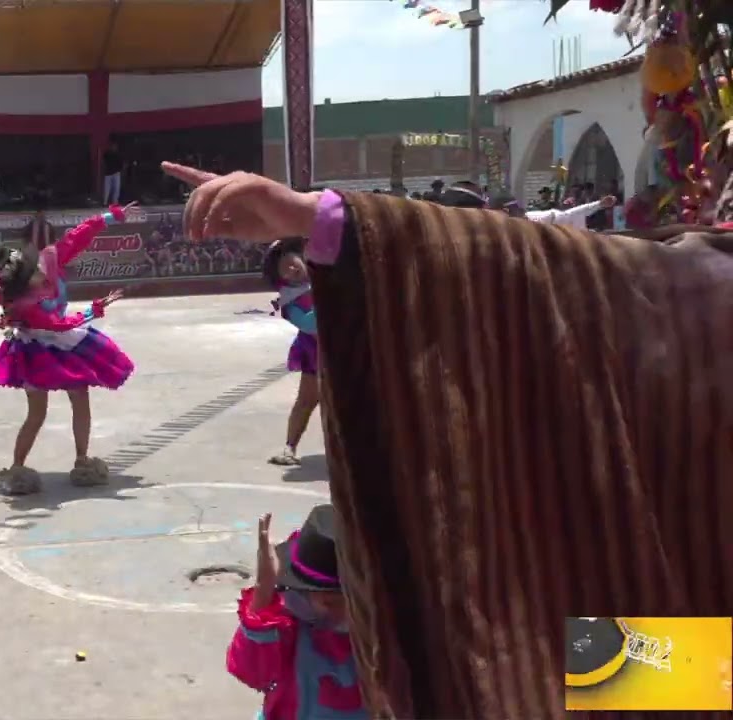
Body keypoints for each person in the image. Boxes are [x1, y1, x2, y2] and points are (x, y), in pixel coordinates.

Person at [160, 162, 733, 718]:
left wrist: (327, 224)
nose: (704, 182)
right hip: (699, 651)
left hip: (698, 650)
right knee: (591, 667)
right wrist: (326, 225)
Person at [0, 204, 137, 495]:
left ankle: (81, 460)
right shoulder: (26, 306)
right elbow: (59, 325)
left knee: (80, 396)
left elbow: (75, 238)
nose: (39, 272)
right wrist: (94, 310)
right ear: (22, 283)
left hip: (59, 339)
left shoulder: (49, 259)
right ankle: (16, 468)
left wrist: (107, 217)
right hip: (36, 348)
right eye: (31, 273)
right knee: (37, 413)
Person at [227, 507, 363, 720]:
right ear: (305, 595)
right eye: (328, 602)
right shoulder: (289, 622)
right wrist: (263, 592)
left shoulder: (383, 628)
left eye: (350, 602)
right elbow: (252, 673)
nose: (340, 613)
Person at [262, 238, 320, 467]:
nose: (292, 269)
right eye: (284, 270)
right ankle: (289, 447)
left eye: (291, 261)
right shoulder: (290, 302)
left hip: (351, 345)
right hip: (316, 352)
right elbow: (311, 325)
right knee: (307, 400)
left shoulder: (325, 274)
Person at [102, 141, 124, 206]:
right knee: (107, 188)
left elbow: (121, 164)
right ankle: (105, 202)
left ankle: (115, 202)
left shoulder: (118, 154)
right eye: (113, 146)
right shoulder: (107, 153)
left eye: (115, 146)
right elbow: (103, 162)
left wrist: (121, 170)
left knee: (116, 188)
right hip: (108, 173)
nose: (114, 147)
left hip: (116, 173)